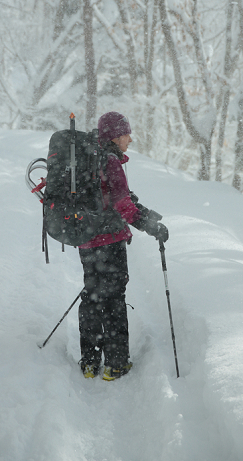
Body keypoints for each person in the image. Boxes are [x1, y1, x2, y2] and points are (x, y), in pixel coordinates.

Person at [77, 111, 169, 381]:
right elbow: (121, 204)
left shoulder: (88, 157)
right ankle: (116, 363)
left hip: (86, 240)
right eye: (126, 133)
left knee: (92, 296)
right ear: (116, 136)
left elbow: (115, 197)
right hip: (110, 242)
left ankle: (90, 362)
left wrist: (144, 211)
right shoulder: (111, 161)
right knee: (113, 299)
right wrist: (151, 227)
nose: (130, 138)